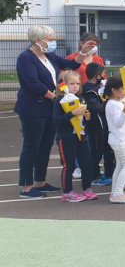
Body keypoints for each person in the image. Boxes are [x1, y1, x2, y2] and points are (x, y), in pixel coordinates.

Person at [15, 25, 92, 198]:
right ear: (38, 40)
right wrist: (55, 96)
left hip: (49, 107)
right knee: (31, 145)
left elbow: (70, 64)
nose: (52, 43)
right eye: (49, 39)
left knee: (45, 145)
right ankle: (26, 186)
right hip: (33, 108)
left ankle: (40, 181)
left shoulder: (48, 56)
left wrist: (83, 52)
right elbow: (32, 83)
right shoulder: (25, 58)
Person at [54, 71, 96, 203]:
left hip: (81, 137)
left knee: (86, 163)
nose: (75, 86)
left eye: (78, 83)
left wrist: (87, 117)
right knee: (69, 165)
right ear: (64, 85)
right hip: (66, 137)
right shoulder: (59, 101)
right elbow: (57, 120)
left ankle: (87, 188)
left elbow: (83, 118)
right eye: (72, 83)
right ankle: (67, 192)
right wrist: (72, 113)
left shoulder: (81, 99)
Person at [103, 77, 125, 204]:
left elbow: (120, 121)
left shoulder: (114, 103)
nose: (124, 91)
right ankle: (117, 193)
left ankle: (116, 191)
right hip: (120, 139)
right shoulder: (113, 105)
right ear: (114, 90)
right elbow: (118, 123)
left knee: (120, 165)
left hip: (118, 139)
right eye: (122, 88)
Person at [82, 63, 113, 187]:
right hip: (95, 125)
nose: (104, 76)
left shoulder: (98, 86)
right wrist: (108, 101)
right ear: (97, 75)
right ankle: (93, 176)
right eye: (102, 73)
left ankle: (108, 173)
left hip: (103, 124)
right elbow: (96, 108)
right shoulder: (89, 90)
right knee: (95, 150)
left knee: (106, 149)